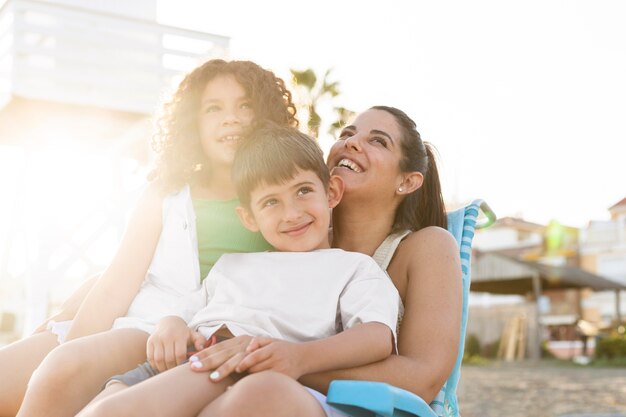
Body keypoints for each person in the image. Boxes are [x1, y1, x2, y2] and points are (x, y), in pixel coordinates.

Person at [11, 59, 298, 417]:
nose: (231, 118)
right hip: (144, 319)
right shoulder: (167, 192)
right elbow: (117, 283)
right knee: (51, 367)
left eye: (245, 106)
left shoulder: (288, 199)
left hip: (200, 334)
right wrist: (66, 341)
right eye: (213, 108)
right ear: (192, 121)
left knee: (65, 369)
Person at [77, 122, 400, 417]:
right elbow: (184, 311)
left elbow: (376, 335)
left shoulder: (352, 267)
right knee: (100, 405)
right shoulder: (232, 264)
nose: (291, 213)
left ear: (331, 192)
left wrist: (301, 356)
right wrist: (170, 324)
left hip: (235, 366)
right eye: (271, 202)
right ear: (249, 218)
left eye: (303, 191)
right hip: (177, 362)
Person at [182, 105, 463, 417]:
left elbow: (421, 379)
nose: (351, 142)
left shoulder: (426, 245)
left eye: (378, 141)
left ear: (408, 182)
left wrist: (277, 358)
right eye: (347, 133)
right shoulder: (290, 234)